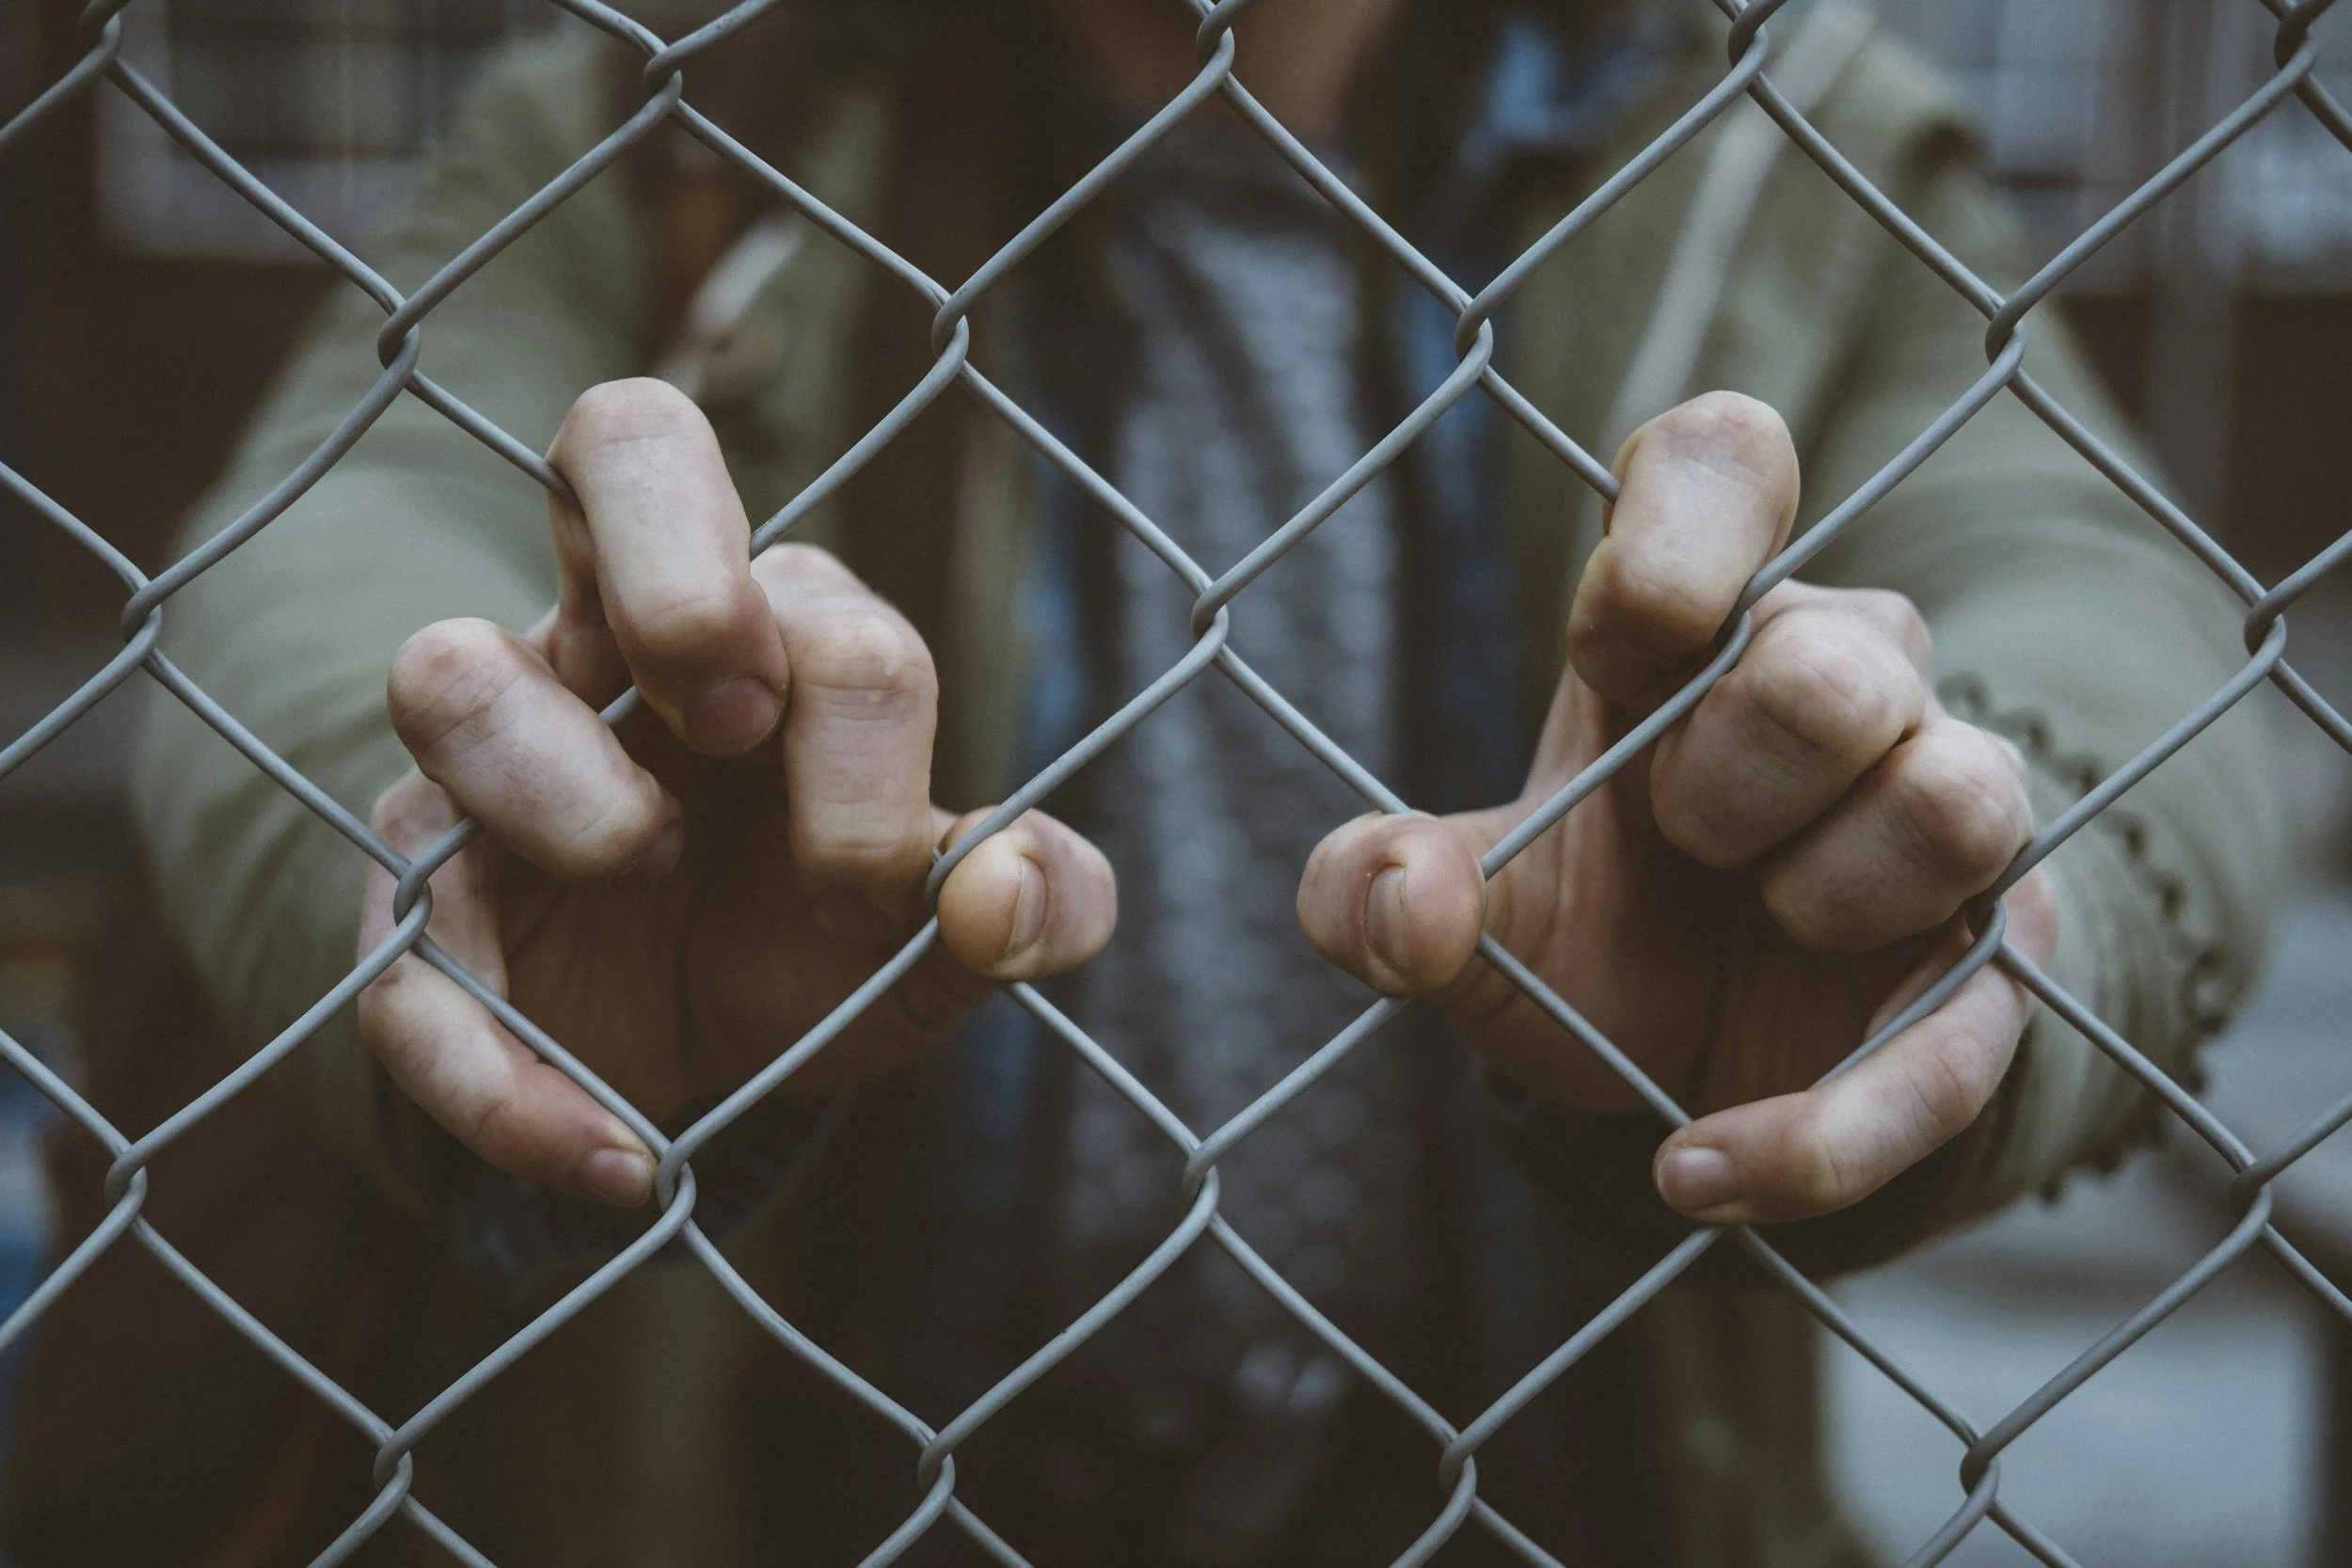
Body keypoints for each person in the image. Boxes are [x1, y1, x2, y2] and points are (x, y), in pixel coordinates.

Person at [6, 0, 2280, 1563]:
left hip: (1556, 1489)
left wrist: (1970, 881)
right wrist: (467, 828)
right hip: (778, 1491)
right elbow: (332, 539)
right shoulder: (684, 108)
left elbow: (2093, 588)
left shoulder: (1766, 134)